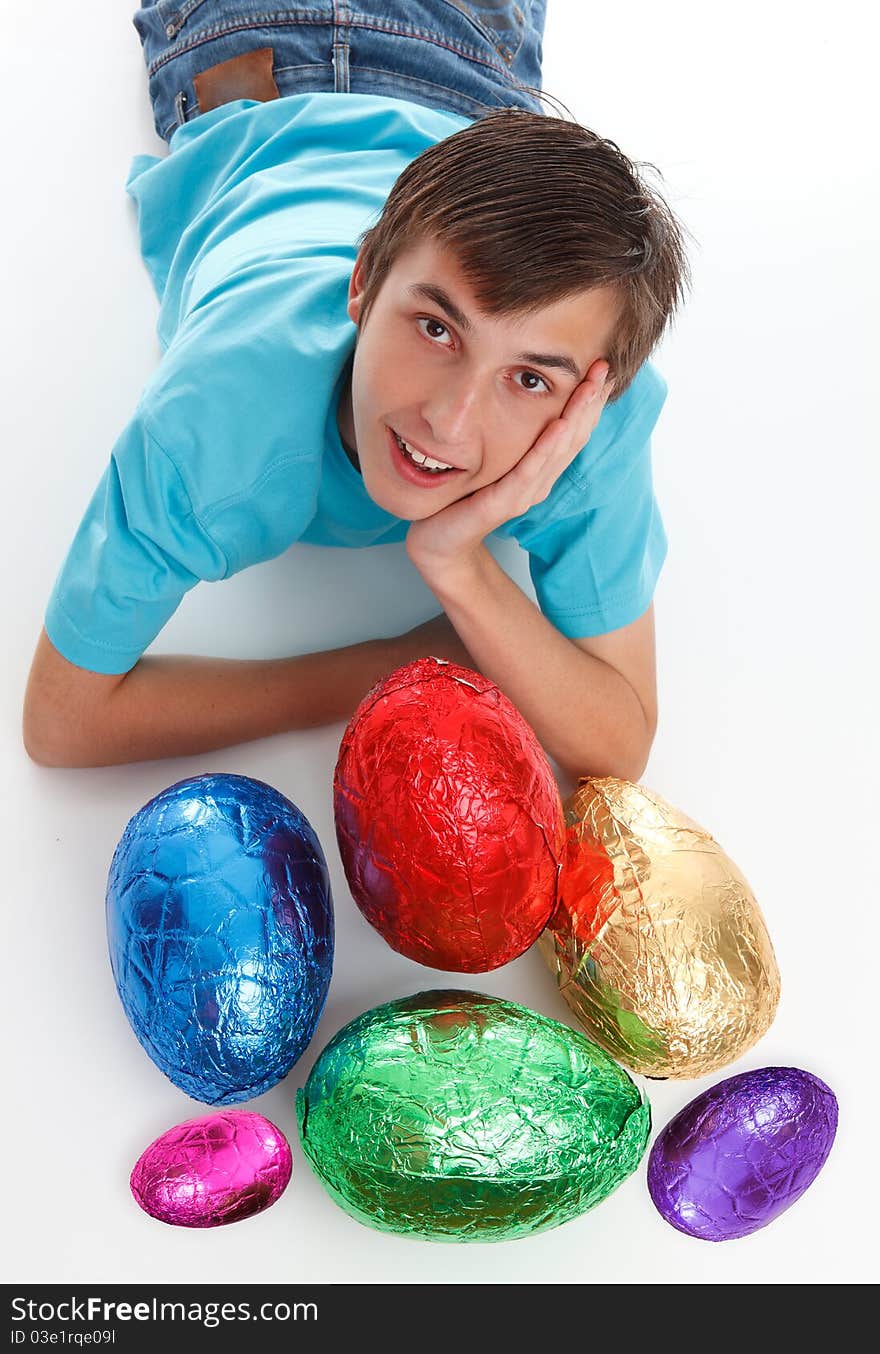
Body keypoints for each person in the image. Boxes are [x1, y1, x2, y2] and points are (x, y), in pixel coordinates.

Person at [22, 0, 691, 780]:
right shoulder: (219, 414)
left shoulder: (593, 417)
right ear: (364, 280)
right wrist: (386, 665)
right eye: (437, 329)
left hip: (460, 73)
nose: (449, 420)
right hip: (264, 44)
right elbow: (60, 722)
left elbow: (619, 743)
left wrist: (459, 567)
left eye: (528, 378)